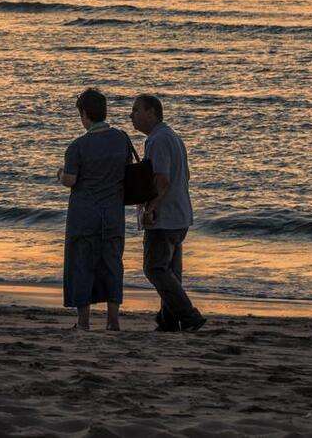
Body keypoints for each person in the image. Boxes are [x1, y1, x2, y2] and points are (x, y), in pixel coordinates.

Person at [130, 94, 207, 332]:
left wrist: (150, 209)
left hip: (166, 217)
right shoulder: (172, 136)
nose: (131, 116)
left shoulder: (158, 140)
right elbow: (184, 176)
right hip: (179, 214)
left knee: (155, 268)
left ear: (152, 112)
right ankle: (168, 320)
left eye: (136, 111)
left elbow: (161, 180)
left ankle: (189, 315)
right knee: (170, 271)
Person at [58, 87, 133, 331]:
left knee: (82, 266)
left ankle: (84, 322)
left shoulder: (77, 146)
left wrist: (59, 173)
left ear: (84, 114)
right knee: (112, 265)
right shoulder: (121, 139)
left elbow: (70, 180)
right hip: (113, 214)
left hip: (85, 215)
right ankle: (113, 321)